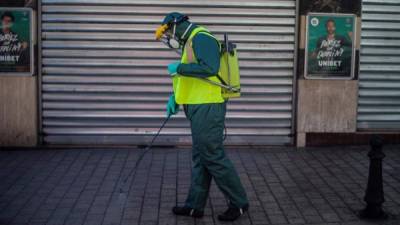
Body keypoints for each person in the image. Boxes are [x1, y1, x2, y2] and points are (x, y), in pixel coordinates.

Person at [155, 12, 249, 221]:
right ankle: (194, 206)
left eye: (168, 31)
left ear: (177, 25)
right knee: (201, 157)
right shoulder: (189, 42)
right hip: (197, 106)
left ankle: (239, 202)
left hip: (208, 106)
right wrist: (175, 98)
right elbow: (188, 79)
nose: (169, 36)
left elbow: (209, 68)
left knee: (213, 155)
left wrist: (178, 67)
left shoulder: (201, 38)